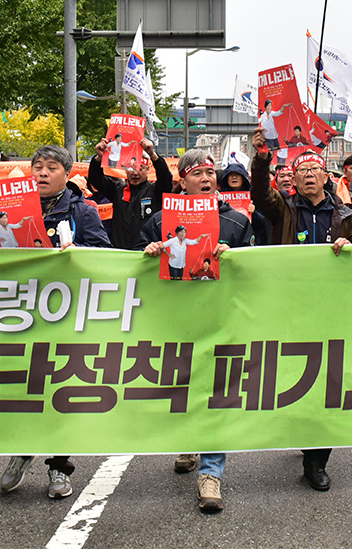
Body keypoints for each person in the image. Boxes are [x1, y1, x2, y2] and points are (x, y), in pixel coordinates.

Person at [0, 145, 111, 501]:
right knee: (18, 387)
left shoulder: (82, 211)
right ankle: (21, 450)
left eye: (51, 167)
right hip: (16, 312)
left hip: (63, 315)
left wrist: (77, 251)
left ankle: (59, 466)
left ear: (66, 174)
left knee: (59, 390)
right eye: (37, 167)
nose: (42, 173)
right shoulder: (6, 207)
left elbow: (105, 254)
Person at [140, 149, 254, 512]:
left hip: (220, 319)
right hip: (173, 320)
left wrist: (234, 257)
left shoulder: (236, 222)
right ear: (182, 180)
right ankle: (188, 441)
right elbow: (128, 260)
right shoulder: (159, 221)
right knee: (180, 384)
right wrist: (149, 250)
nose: (206, 179)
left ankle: (211, 473)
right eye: (197, 173)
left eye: (210, 172)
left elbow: (257, 268)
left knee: (217, 390)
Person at [250, 131, 352, 492]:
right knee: (292, 376)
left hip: (331, 309)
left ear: (327, 177)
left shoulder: (345, 215)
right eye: (302, 170)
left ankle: (317, 460)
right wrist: (262, 158)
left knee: (327, 381)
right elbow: (261, 194)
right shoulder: (284, 209)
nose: (309, 174)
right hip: (289, 306)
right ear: (292, 180)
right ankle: (296, 428)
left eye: (315, 168)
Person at [88, 135, 172, 250]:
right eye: (131, 168)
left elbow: (166, 180)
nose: (135, 173)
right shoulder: (117, 190)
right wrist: (99, 158)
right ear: (125, 169)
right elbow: (96, 179)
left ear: (148, 169)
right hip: (120, 254)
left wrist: (153, 155)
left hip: (148, 253)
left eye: (140, 168)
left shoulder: (155, 190)